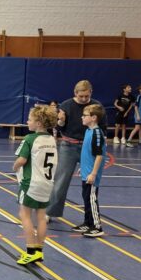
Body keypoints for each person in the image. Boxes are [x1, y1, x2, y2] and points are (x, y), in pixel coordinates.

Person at [46, 80, 105, 223]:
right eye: (81, 96)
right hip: (68, 146)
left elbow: (103, 128)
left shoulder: (96, 106)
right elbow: (59, 127)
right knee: (60, 181)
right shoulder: (66, 105)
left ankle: (90, 219)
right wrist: (60, 121)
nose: (84, 99)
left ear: (91, 92)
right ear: (75, 93)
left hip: (88, 148)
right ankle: (50, 212)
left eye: (87, 96)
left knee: (89, 184)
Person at [13, 104, 59, 265]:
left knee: (24, 215)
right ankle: (39, 250)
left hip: (31, 183)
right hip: (47, 183)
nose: (27, 121)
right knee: (41, 217)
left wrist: (15, 167)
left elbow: (21, 160)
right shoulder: (51, 139)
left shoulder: (29, 139)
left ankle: (30, 251)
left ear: (38, 123)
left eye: (30, 119)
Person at [73, 104, 106, 238]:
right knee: (86, 198)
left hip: (91, 174)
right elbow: (88, 153)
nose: (82, 117)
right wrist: (83, 167)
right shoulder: (88, 131)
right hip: (86, 172)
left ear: (93, 118)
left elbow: (99, 155)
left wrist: (93, 173)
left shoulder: (97, 133)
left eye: (84, 115)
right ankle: (88, 223)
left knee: (91, 199)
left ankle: (97, 227)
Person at [126, 83, 141, 148]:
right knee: (137, 128)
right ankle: (128, 141)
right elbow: (136, 107)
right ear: (140, 90)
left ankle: (140, 142)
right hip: (139, 115)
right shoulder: (139, 97)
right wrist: (137, 115)